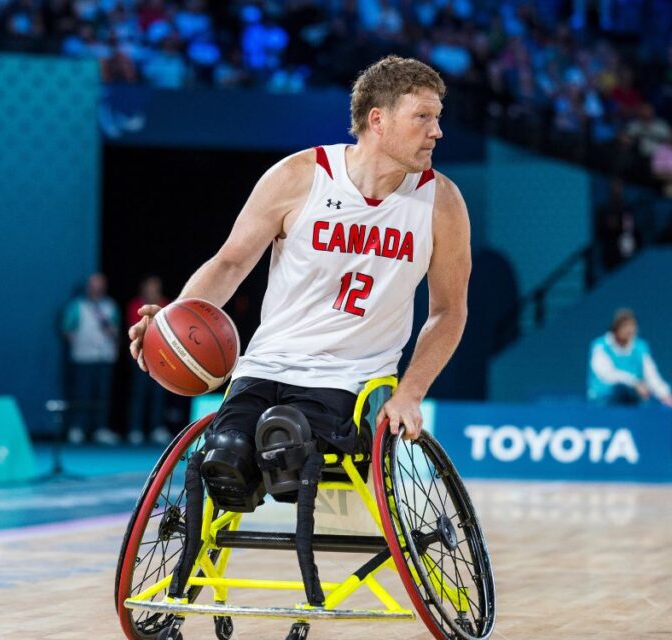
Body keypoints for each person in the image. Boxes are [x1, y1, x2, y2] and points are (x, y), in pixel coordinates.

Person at [129, 56, 471, 607]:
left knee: (286, 441)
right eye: (424, 117)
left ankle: (307, 569)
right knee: (224, 453)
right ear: (377, 120)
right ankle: (185, 584)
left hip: (353, 382)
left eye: (438, 116)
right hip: (265, 365)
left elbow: (449, 312)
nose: (438, 130)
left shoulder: (442, 203)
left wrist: (411, 392)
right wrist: (171, 323)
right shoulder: (299, 176)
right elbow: (229, 264)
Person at [62, 273, 122, 445]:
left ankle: (100, 429)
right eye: (93, 285)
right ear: (88, 287)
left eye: (100, 285)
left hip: (104, 356)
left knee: (102, 394)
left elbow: (116, 329)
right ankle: (78, 428)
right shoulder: (77, 306)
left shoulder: (110, 306)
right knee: (82, 394)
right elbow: (66, 329)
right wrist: (80, 342)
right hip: (83, 357)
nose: (96, 288)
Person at [587, 309, 672, 407]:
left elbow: (651, 376)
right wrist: (634, 383)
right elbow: (607, 375)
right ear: (616, 327)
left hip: (632, 401)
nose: (630, 330)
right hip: (602, 402)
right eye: (625, 326)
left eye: (633, 326)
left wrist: (665, 394)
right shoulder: (600, 346)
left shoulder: (640, 347)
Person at [125, 275, 171, 445]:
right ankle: (135, 429)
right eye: (150, 287)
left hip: (163, 358)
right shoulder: (136, 305)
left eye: (156, 287)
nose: (153, 290)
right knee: (139, 393)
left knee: (159, 394)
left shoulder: (167, 304)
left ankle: (156, 428)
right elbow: (135, 330)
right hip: (141, 355)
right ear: (144, 288)